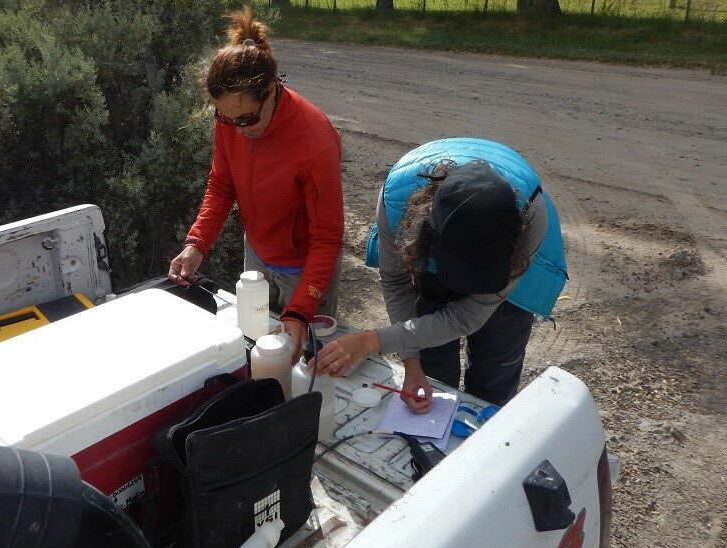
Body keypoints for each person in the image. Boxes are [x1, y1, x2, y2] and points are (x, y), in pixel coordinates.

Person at [310, 138, 567, 413]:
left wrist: (371, 340)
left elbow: (465, 317)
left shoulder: (531, 218)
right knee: (433, 367)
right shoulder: (396, 203)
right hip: (434, 252)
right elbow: (397, 283)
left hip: (507, 269)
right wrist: (413, 363)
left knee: (494, 380)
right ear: (428, 231)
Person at [168, 6, 343, 363]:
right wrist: (197, 244)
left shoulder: (314, 139)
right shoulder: (233, 118)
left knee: (300, 356)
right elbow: (221, 185)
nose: (238, 128)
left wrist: (300, 310)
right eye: (225, 118)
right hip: (257, 255)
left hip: (304, 266)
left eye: (246, 118)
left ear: (270, 90)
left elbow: (328, 238)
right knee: (255, 343)